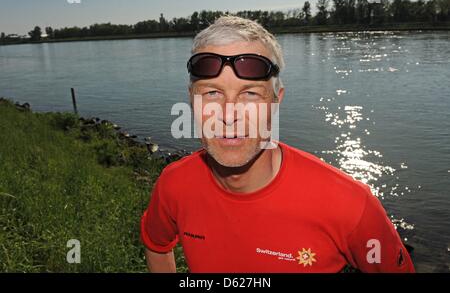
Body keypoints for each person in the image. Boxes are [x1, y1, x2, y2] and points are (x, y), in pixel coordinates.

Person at [140, 15, 415, 273]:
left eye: (249, 93)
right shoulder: (174, 184)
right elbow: (157, 245)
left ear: (276, 101)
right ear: (191, 99)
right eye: (212, 93)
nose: (228, 114)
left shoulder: (352, 206)